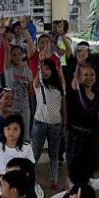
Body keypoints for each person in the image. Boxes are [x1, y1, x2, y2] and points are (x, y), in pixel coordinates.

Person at [65, 61, 99, 187]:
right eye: (85, 75)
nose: (89, 77)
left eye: (92, 74)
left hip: (91, 139)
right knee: (72, 170)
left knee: (89, 170)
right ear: (80, 77)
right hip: (75, 137)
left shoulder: (97, 93)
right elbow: (73, 85)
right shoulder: (76, 92)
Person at [30, 59, 66, 189]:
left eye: (47, 69)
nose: (45, 72)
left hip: (56, 124)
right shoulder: (39, 85)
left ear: (53, 71)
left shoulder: (59, 86)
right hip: (39, 123)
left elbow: (63, 105)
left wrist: (64, 122)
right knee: (35, 153)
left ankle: (54, 180)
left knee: (54, 154)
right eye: (42, 69)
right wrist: (39, 65)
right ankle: (30, 177)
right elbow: (35, 80)